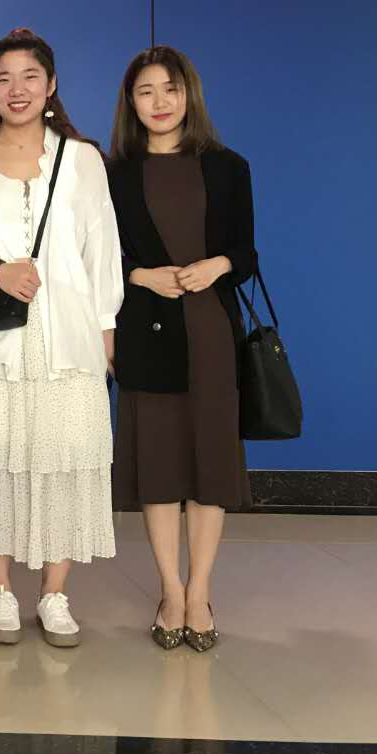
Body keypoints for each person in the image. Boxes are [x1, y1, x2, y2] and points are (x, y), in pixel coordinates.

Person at [0, 28, 122, 649]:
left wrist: (106, 327)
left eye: (30, 77)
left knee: (65, 458)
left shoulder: (82, 158)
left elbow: (102, 246)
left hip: (67, 337)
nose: (17, 89)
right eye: (3, 78)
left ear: (51, 85)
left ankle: (55, 593)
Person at [107, 45, 256, 653]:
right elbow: (98, 258)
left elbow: (246, 253)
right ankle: (170, 590)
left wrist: (218, 264)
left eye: (170, 89)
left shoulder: (228, 166)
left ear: (189, 94)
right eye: (146, 91)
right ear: (131, 102)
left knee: (210, 467)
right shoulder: (114, 173)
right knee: (160, 467)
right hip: (147, 331)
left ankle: (200, 591)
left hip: (212, 331)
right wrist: (140, 276)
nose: (160, 102)